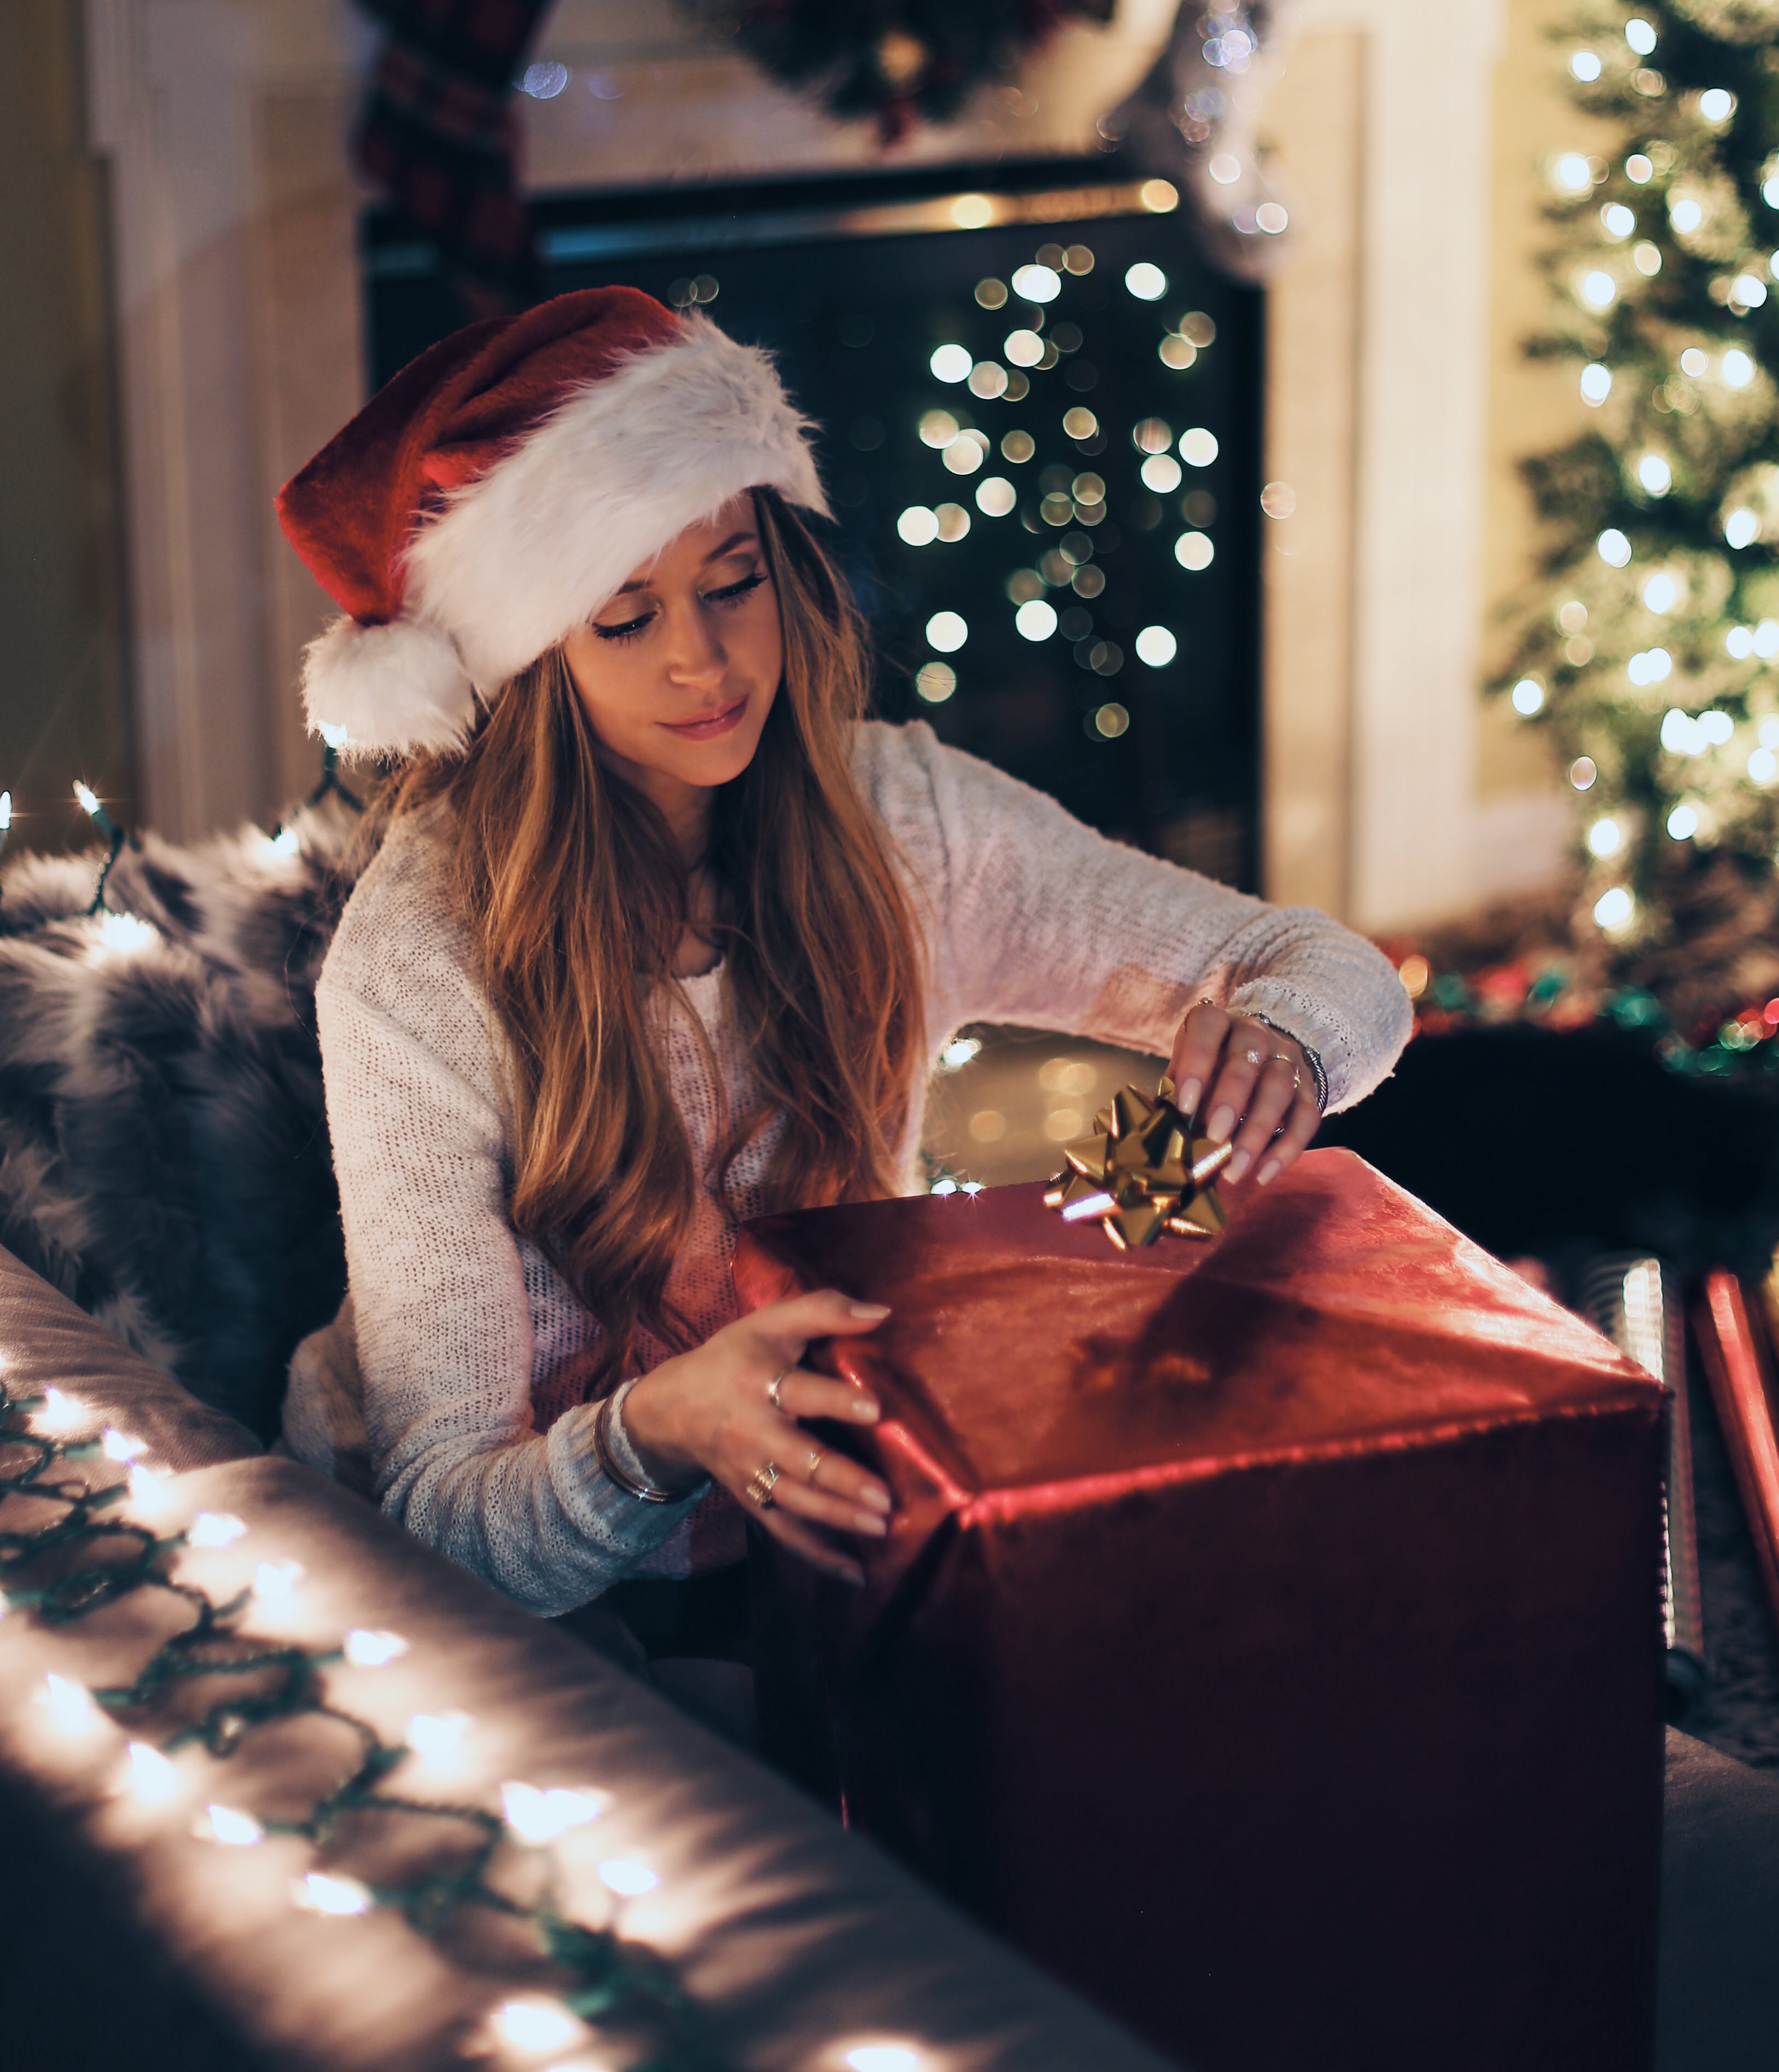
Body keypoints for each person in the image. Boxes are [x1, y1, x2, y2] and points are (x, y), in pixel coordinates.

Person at [278, 287, 1411, 1664]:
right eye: (624, 620)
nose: (703, 660)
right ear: (529, 665)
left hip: (830, 1506)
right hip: (508, 1598)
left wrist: (1284, 1042)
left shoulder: (901, 820)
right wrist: (661, 1433)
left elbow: (1325, 969)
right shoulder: (419, 966)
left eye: (733, 580)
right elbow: (446, 1522)